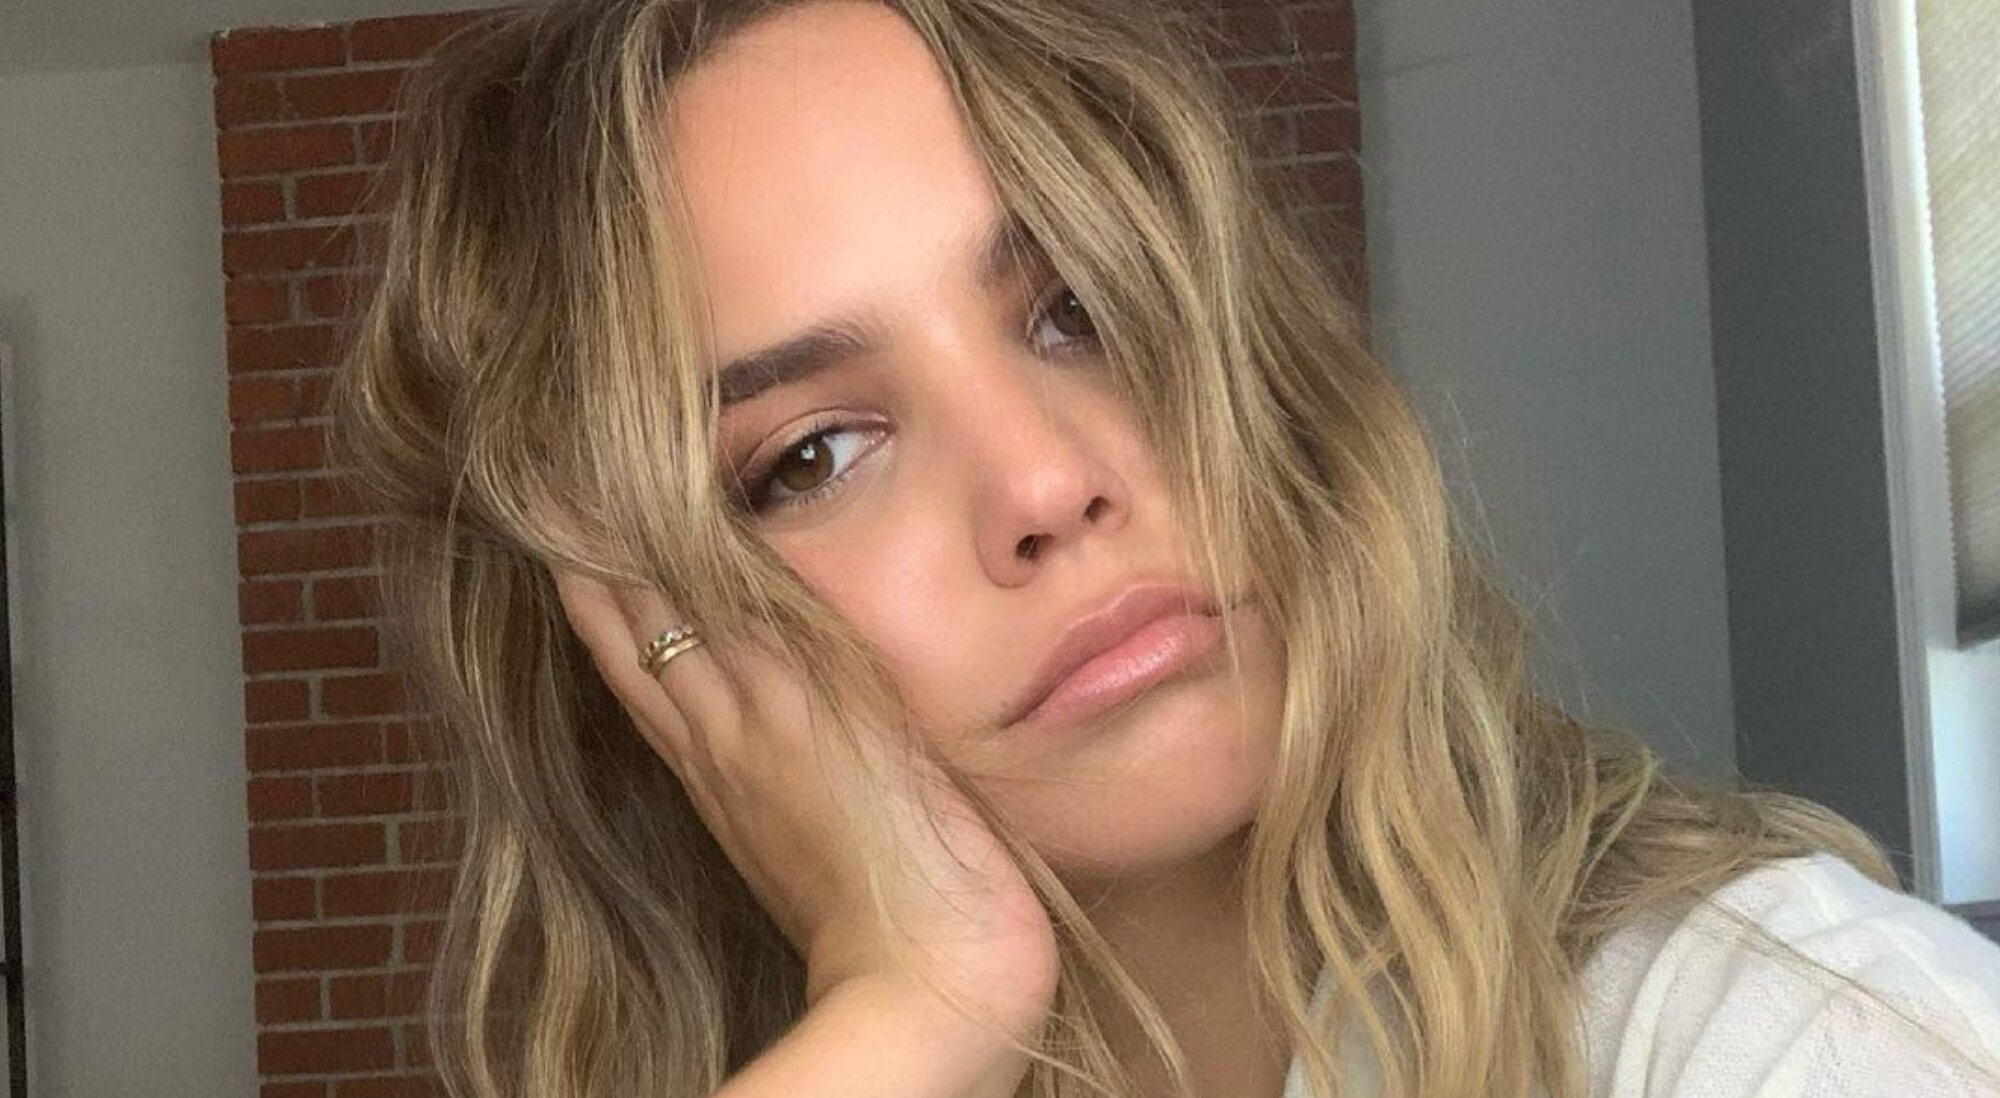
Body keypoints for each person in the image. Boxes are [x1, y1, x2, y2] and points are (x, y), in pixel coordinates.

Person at [327, 0, 2000, 1095]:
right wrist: (912, 1014)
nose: (1048, 482)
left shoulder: (1786, 1036)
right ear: (648, 655)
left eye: (1077, 306)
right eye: (813, 454)